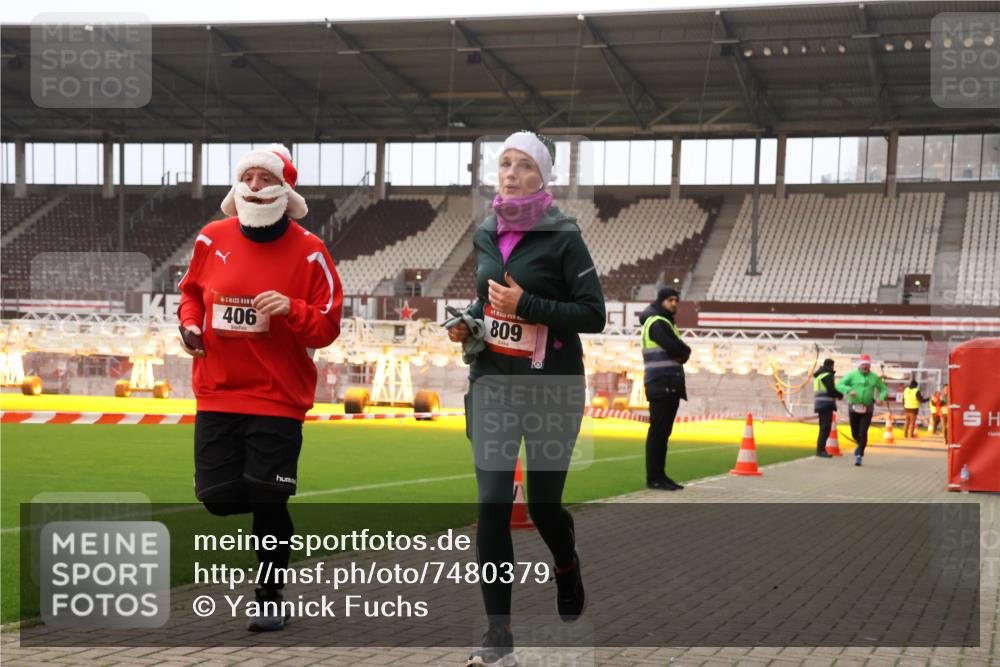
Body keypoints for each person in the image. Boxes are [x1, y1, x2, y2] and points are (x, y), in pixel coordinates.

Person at [446, 131, 606, 667]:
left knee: (541, 506)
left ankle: (566, 563)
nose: (509, 173)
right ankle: (499, 635)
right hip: (492, 381)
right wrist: (469, 320)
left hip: (552, 386)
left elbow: (593, 314)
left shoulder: (564, 236)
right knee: (491, 505)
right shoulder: (486, 231)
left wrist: (529, 303)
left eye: (522, 166)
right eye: (504, 164)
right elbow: (488, 299)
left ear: (543, 177)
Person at [177, 143, 344, 631]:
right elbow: (190, 295)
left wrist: (291, 308)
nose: (254, 186)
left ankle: (270, 595)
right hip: (217, 390)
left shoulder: (311, 251)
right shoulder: (211, 237)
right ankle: (253, 485)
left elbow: (328, 328)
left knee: (269, 500)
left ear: (283, 189)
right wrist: (189, 328)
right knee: (219, 500)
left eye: (264, 179)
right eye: (247, 177)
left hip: (278, 396)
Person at [639, 287, 691, 488]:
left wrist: (683, 351)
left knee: (661, 433)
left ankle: (659, 476)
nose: (674, 303)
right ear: (661, 301)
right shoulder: (658, 323)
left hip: (665, 383)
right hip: (662, 383)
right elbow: (678, 349)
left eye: (676, 300)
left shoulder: (662, 322)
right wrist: (684, 351)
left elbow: (680, 351)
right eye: (670, 300)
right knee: (659, 433)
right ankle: (655, 478)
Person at [835, 355, 888, 467]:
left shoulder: (874, 377)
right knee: (855, 432)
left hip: (867, 407)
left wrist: (881, 398)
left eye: (867, 365)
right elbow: (839, 384)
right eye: (863, 365)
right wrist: (849, 390)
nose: (865, 367)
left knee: (863, 431)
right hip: (854, 407)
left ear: (870, 366)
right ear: (860, 365)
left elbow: (883, 389)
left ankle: (859, 453)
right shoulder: (852, 375)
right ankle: (860, 445)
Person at [812, 358, 844, 458]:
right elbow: (831, 391)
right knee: (826, 428)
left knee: (822, 428)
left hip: (819, 404)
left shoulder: (818, 376)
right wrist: (840, 395)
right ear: (831, 366)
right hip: (826, 404)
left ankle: (820, 449)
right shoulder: (827, 376)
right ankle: (821, 450)